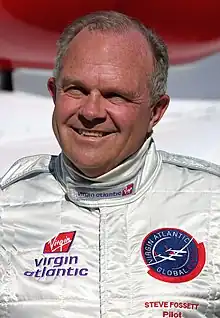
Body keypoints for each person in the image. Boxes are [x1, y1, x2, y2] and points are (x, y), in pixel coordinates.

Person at [0, 10, 220, 318]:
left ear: (156, 111)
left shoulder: (212, 205)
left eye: (115, 96)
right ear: (53, 94)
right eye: (75, 90)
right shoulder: (7, 207)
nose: (91, 111)